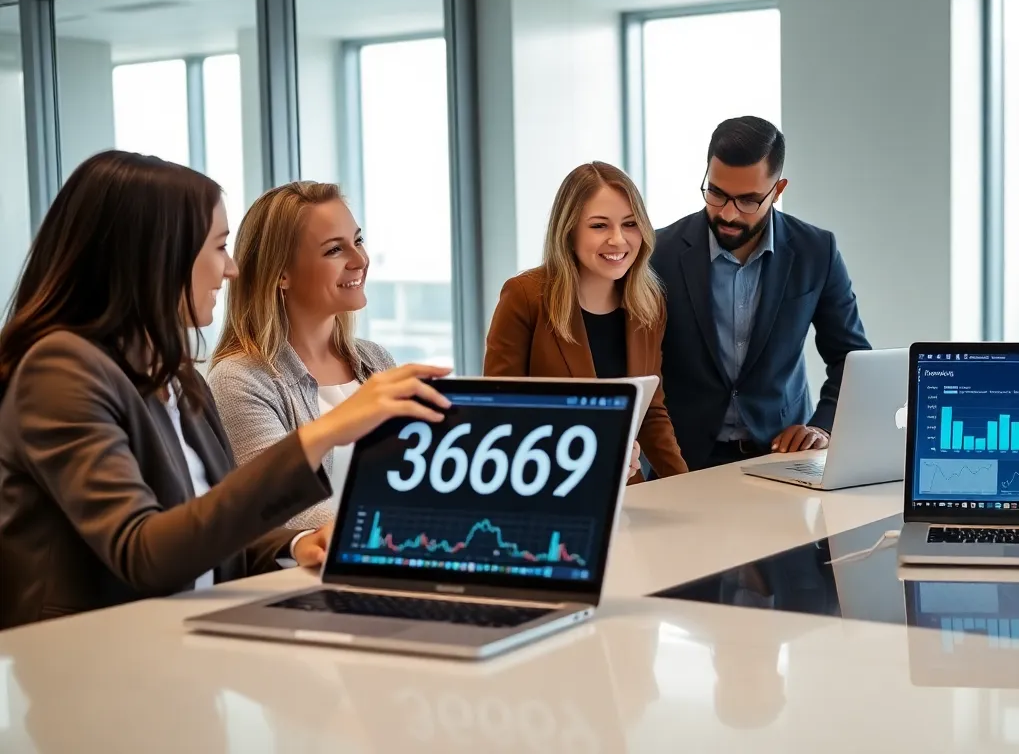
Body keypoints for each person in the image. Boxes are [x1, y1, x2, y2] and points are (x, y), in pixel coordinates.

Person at [0, 151, 450, 630]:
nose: (232, 269)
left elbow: (203, 527)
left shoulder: (175, 373)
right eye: (217, 247)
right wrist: (324, 433)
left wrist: (295, 543)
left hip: (187, 642)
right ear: (159, 255)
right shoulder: (61, 371)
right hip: (92, 658)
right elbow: (144, 552)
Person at [650, 116, 871, 471]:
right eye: (717, 193)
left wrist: (822, 426)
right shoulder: (659, 252)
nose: (728, 213)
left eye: (748, 201)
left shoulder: (817, 251)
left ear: (778, 190)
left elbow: (852, 359)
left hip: (784, 456)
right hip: (682, 460)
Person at [209, 181, 402, 529]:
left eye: (357, 241)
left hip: (389, 561)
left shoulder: (377, 361)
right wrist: (391, 534)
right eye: (334, 251)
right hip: (306, 573)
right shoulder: (239, 380)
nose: (360, 260)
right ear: (281, 273)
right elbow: (279, 508)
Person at [484, 161, 687, 483]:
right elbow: (499, 413)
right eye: (599, 226)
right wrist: (590, 452)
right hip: (546, 488)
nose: (619, 240)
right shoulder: (524, 296)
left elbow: (650, 412)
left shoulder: (649, 302)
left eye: (630, 224)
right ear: (569, 230)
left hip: (626, 493)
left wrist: (683, 485)